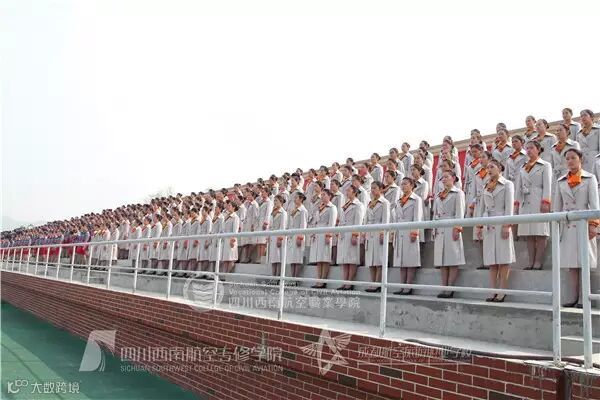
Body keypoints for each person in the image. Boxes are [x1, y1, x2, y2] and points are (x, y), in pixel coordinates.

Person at [554, 149, 599, 308]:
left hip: (583, 224)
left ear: (580, 159)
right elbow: (557, 207)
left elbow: (594, 204)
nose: (570, 161)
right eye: (567, 158)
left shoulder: (589, 178)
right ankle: (573, 296)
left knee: (584, 262)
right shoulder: (561, 181)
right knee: (571, 264)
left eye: (573, 158)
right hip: (567, 226)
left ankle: (584, 298)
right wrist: (557, 227)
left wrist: (593, 225)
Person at [475, 159, 515, 302]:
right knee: (491, 261)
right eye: (488, 168)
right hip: (489, 224)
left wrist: (506, 225)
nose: (489, 170)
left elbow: (509, 207)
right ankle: (493, 290)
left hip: (501, 223)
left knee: (503, 260)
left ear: (499, 168)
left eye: (492, 167)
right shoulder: (486, 186)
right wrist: (479, 226)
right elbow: (481, 207)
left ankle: (502, 290)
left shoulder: (507, 184)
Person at [515, 140, 552, 270]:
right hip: (525, 201)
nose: (529, 150)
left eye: (531, 148)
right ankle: (531, 261)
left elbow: (547, 185)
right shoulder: (523, 167)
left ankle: (538, 261)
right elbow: (518, 187)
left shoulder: (545, 165)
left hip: (538, 199)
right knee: (529, 233)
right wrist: (516, 204)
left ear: (538, 149)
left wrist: (546, 201)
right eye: (527, 148)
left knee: (540, 232)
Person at [433, 171, 466, 298]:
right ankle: (444, 287)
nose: (444, 179)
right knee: (442, 260)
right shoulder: (439, 194)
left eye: (446, 177)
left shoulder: (458, 193)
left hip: (451, 226)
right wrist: (434, 228)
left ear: (453, 178)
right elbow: (435, 213)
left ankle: (450, 288)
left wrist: (457, 228)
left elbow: (460, 212)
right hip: (440, 227)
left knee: (452, 259)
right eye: (442, 177)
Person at [392, 177, 423, 295]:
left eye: (405, 184)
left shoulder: (416, 199)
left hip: (410, 231)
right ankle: (402, 285)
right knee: (401, 261)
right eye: (402, 184)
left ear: (412, 185)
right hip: (400, 231)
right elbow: (396, 218)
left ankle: (408, 286)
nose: (403, 186)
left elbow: (417, 217)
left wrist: (415, 231)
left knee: (410, 260)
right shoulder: (399, 201)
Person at [336, 186, 365, 290]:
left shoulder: (358, 205)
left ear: (354, 192)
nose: (346, 192)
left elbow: (358, 221)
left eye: (349, 190)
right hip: (344, 233)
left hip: (351, 233)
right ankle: (344, 281)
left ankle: (350, 282)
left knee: (351, 259)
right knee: (344, 259)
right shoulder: (346, 205)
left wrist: (355, 235)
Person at [364, 182, 391, 292]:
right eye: (371, 188)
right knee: (371, 260)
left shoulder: (384, 202)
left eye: (374, 188)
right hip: (370, 232)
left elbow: (386, 219)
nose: (372, 190)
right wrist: (364, 232)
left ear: (380, 189)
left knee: (379, 259)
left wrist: (382, 233)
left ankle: (378, 283)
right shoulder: (370, 203)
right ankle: (372, 282)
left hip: (379, 231)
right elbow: (366, 219)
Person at [310, 189, 337, 289]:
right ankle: (318, 279)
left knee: (325, 258)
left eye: (324, 195)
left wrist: (329, 235)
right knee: (319, 258)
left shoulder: (332, 208)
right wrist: (313, 233)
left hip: (325, 233)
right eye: (321, 195)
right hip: (318, 233)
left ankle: (323, 280)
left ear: (329, 196)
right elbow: (315, 221)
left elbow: (332, 223)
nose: (322, 196)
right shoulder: (319, 207)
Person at [287, 193, 308, 284]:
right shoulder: (294, 209)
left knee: (297, 258)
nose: (294, 199)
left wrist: (300, 237)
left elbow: (303, 225)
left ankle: (296, 279)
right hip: (292, 235)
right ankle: (292, 278)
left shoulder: (303, 210)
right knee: (292, 258)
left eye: (296, 198)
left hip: (298, 236)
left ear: (301, 199)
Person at [267, 195, 288, 283]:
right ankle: (273, 277)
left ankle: (278, 278)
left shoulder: (283, 213)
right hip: (273, 236)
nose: (275, 202)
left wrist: (280, 238)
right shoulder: (273, 212)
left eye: (276, 201)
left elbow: (283, 226)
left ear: (281, 202)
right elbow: (270, 225)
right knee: (273, 258)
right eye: (274, 201)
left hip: (279, 237)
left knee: (278, 258)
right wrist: (268, 235)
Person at [577, 109, 600, 173]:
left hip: (595, 161)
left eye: (585, 115)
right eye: (581, 116)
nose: (583, 117)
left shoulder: (598, 129)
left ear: (591, 117)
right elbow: (578, 150)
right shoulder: (579, 133)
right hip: (583, 163)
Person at [220, 201, 240, 275]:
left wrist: (232, 240)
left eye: (229, 205)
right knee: (225, 259)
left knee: (230, 258)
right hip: (225, 239)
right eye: (228, 205)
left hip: (230, 239)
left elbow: (235, 230)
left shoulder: (235, 217)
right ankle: (224, 274)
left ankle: (227, 275)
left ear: (233, 207)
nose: (228, 207)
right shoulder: (226, 216)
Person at [256, 187, 273, 263]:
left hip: (264, 223)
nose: (262, 193)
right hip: (259, 223)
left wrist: (266, 223)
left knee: (263, 241)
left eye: (263, 192)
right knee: (259, 241)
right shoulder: (261, 201)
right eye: (261, 192)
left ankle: (262, 258)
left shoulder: (269, 202)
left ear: (267, 193)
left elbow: (268, 213)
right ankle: (259, 257)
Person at [198, 206, 213, 278]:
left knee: (206, 257)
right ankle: (202, 272)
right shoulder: (202, 219)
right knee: (201, 257)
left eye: (203, 211)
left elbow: (209, 231)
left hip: (205, 240)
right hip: (201, 239)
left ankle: (204, 273)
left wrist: (208, 241)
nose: (202, 212)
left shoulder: (208, 220)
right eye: (201, 211)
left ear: (207, 211)